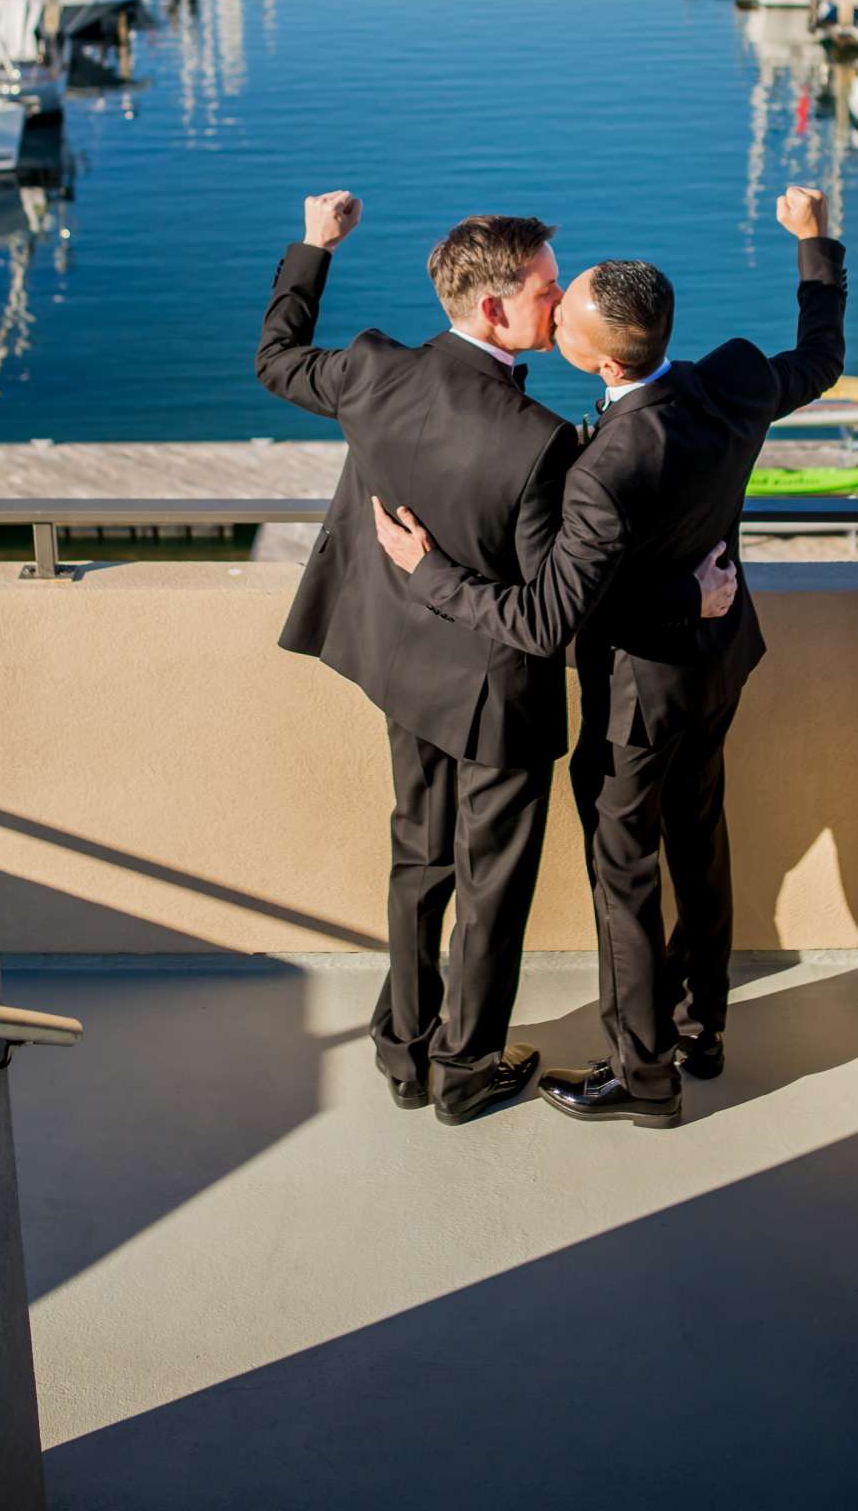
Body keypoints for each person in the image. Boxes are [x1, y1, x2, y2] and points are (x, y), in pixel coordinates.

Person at [374, 182, 845, 1129]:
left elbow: (545, 621)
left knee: (624, 873)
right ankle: (700, 1023)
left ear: (596, 353)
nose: (550, 317)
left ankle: (644, 1072)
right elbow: (822, 360)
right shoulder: (734, 380)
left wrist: (426, 575)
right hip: (720, 662)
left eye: (565, 308)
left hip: (639, 695)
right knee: (700, 837)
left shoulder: (601, 470)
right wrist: (814, 242)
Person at [256, 191, 733, 1127]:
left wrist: (314, 246)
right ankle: (467, 1066)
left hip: (394, 662)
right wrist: (689, 595)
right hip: (490, 690)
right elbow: (561, 611)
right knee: (491, 885)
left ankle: (402, 1048)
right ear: (494, 310)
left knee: (416, 855)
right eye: (550, 291)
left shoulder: (369, 367)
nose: (562, 307)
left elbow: (273, 360)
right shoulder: (542, 445)